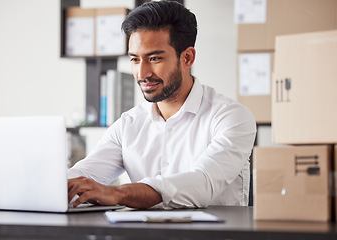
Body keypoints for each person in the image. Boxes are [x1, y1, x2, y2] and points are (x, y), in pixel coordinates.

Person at [67, 0, 256, 209]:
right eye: (135, 59)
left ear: (187, 58)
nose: (142, 73)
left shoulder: (231, 117)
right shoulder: (128, 125)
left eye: (154, 58)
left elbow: (202, 183)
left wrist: (118, 193)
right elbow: (84, 174)